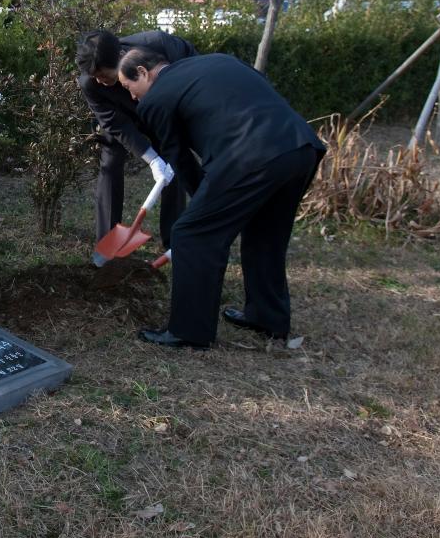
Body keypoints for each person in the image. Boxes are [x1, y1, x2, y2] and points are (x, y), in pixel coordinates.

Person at [118, 49, 325, 349]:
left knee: (191, 233)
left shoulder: (155, 99)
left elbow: (179, 158)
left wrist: (203, 202)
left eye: (129, 88)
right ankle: (267, 318)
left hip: (249, 156)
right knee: (265, 233)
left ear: (143, 72)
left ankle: (189, 332)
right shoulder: (216, 60)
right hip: (299, 147)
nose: (134, 98)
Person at [75, 29, 199, 264]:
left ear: (122, 59)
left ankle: (174, 240)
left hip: (161, 108)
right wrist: (151, 159)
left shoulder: (158, 45)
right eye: (95, 77)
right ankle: (107, 243)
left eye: (104, 75)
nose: (100, 80)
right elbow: (114, 123)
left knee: (174, 163)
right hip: (123, 118)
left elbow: (192, 71)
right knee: (110, 163)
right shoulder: (90, 83)